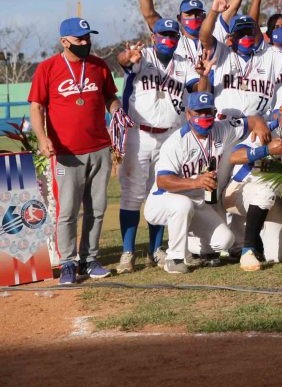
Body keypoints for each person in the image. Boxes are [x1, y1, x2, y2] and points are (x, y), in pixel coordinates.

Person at [29, 18, 121, 285]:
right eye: (80, 39)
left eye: (87, 38)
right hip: (67, 152)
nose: (86, 43)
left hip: (100, 148)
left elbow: (108, 97)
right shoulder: (48, 68)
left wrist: (116, 112)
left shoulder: (99, 66)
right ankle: (68, 261)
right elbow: (37, 107)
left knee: (98, 208)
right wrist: (42, 137)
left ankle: (89, 259)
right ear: (64, 41)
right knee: (67, 210)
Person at [114, 19, 206, 273]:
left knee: (163, 191)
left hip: (170, 135)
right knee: (132, 193)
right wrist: (127, 56)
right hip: (139, 135)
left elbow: (198, 90)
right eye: (163, 34)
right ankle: (127, 252)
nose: (168, 38)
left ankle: (156, 250)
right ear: (153, 36)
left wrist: (204, 75)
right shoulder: (143, 56)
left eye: (172, 35)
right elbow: (124, 60)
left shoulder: (185, 63)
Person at [144, 92, 267, 274]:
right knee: (182, 204)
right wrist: (196, 182)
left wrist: (261, 126)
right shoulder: (176, 142)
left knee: (225, 240)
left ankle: (191, 244)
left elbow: (253, 119)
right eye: (198, 112)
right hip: (164, 200)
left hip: (197, 203)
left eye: (208, 112)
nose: (203, 117)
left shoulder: (222, 128)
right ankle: (175, 257)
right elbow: (163, 181)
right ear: (188, 114)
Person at [226, 94, 282, 271]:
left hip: (270, 196)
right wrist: (266, 150)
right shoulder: (267, 128)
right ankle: (247, 251)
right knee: (264, 192)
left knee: (279, 255)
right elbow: (234, 156)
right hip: (240, 188)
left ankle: (253, 232)